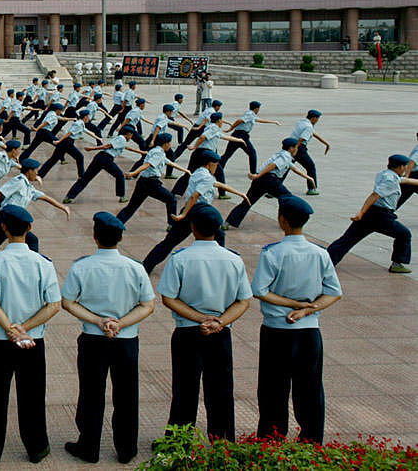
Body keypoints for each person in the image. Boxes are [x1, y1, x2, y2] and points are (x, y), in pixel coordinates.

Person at [61, 212, 155, 464]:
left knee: (90, 393)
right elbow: (148, 305)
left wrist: (98, 321)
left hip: (93, 339)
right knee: (127, 395)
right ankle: (126, 449)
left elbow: (68, 302)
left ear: (95, 236)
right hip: (126, 339)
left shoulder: (81, 267)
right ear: (120, 238)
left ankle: (89, 447)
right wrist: (120, 323)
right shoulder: (135, 268)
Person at [0, 204, 61, 464]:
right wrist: (25, 329)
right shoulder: (43, 264)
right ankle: (37, 447)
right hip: (33, 340)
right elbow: (53, 305)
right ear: (29, 228)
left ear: (3, 228)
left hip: (2, 339)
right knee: (33, 395)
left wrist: (11, 329)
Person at [157, 203, 252, 441]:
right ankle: (222, 440)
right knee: (221, 389)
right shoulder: (233, 260)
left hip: (188, 331)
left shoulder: (180, 259)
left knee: (184, 389)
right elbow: (243, 301)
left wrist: (200, 318)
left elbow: (168, 298)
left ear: (193, 228)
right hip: (220, 333)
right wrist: (219, 322)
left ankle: (178, 441)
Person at [251, 196, 342, 444]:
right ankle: (311, 441)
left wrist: (293, 305)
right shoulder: (320, 253)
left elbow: (259, 290)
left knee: (273, 389)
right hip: (309, 331)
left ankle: (271, 439)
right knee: (310, 388)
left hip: (276, 330)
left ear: (282, 220)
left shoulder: (273, 253)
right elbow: (334, 292)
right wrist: (306, 311)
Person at [327, 154, 417, 273]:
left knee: (348, 239)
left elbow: (406, 180)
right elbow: (375, 195)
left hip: (371, 213)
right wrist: (360, 213)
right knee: (404, 234)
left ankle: (327, 260)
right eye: (405, 166)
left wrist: (363, 213)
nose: (406, 169)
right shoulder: (390, 180)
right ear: (400, 167)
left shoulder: (386, 174)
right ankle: (397, 264)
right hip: (381, 216)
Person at [224, 138, 315, 229]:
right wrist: (258, 175)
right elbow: (273, 165)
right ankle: (288, 221)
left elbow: (294, 168)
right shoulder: (286, 156)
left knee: (248, 201)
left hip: (260, 181)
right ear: (291, 148)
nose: (297, 150)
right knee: (287, 197)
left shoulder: (282, 154)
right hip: (269, 180)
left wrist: (309, 178)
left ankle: (227, 223)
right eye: (296, 147)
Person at [118, 133, 189, 227]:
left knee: (132, 207)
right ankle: (172, 225)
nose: (170, 145)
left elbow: (170, 163)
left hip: (143, 182)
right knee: (171, 199)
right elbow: (148, 164)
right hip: (151, 184)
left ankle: (116, 223)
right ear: (165, 144)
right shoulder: (158, 153)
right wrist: (133, 173)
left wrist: (186, 171)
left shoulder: (156, 151)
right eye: (170, 143)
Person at [220, 101, 280, 174]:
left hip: (238, 135)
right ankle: (253, 172)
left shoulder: (251, 114)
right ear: (256, 109)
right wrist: (231, 128)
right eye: (258, 108)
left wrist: (273, 122)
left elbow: (260, 120)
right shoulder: (250, 114)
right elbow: (240, 120)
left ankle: (218, 169)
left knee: (227, 154)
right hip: (241, 135)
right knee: (252, 153)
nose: (259, 110)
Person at [290, 109, 330, 195]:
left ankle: (272, 189)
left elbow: (313, 133)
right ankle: (311, 188)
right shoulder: (309, 127)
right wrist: (295, 151)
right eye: (317, 118)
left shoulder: (302, 122)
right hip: (299, 148)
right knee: (310, 167)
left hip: (290, 146)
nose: (317, 121)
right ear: (314, 118)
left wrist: (326, 143)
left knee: (285, 166)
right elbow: (301, 139)